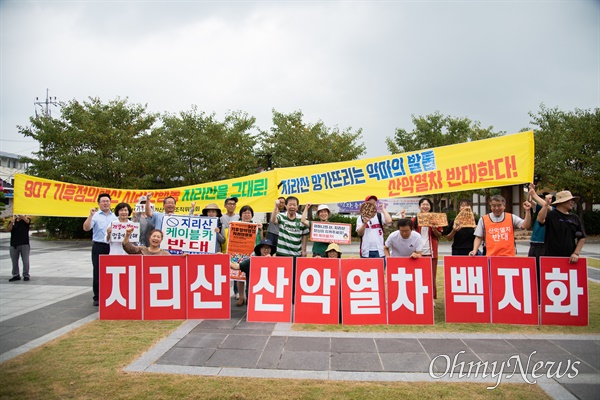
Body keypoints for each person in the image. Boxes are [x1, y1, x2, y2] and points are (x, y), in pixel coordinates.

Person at [83, 193, 117, 306]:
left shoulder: (115, 217)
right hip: (99, 245)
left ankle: (112, 294)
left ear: (110, 202)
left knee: (113, 271)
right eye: (103, 201)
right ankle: (97, 296)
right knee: (98, 271)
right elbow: (86, 228)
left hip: (112, 246)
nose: (106, 203)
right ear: (99, 203)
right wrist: (90, 215)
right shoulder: (95, 215)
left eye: (107, 201)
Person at [537, 190, 585, 263]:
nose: (572, 202)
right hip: (551, 257)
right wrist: (546, 204)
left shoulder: (574, 218)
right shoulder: (551, 215)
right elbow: (540, 219)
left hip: (570, 259)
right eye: (570, 200)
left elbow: (582, 237)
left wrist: (576, 253)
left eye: (573, 200)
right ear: (562, 201)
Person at [527, 184, 554, 300]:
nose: (546, 201)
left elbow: (547, 207)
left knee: (541, 273)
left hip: (543, 245)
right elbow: (530, 203)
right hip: (533, 244)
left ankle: (542, 297)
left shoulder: (553, 212)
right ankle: (534, 296)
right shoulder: (541, 209)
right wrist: (530, 192)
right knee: (532, 272)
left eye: (549, 199)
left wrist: (534, 194)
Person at [412, 198, 443, 299]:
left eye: (427, 205)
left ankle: (431, 298)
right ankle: (419, 296)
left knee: (431, 276)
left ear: (430, 207)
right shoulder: (414, 220)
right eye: (423, 204)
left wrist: (434, 229)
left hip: (431, 251)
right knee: (418, 276)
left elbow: (439, 235)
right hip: (418, 252)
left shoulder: (435, 219)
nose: (425, 207)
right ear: (419, 206)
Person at [234, 205, 263, 306]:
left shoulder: (256, 225)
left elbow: (260, 240)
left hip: (253, 254)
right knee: (240, 277)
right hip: (240, 253)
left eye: (249, 213)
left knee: (252, 276)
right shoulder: (236, 225)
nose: (247, 215)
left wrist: (261, 230)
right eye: (244, 213)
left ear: (252, 215)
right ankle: (241, 297)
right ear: (241, 215)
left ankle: (251, 296)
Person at [220, 196, 241, 299]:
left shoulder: (238, 217)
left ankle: (237, 292)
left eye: (233, 204)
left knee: (236, 268)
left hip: (236, 247)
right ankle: (224, 292)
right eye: (229, 204)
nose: (232, 206)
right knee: (224, 270)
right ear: (225, 205)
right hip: (224, 247)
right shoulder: (221, 218)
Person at [8, 214, 31, 282]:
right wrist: (12, 222)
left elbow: (27, 221)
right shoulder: (13, 221)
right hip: (14, 244)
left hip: (24, 243)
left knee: (25, 260)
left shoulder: (25, 220)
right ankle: (16, 275)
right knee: (14, 261)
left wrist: (20, 215)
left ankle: (26, 275)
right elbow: (9, 229)